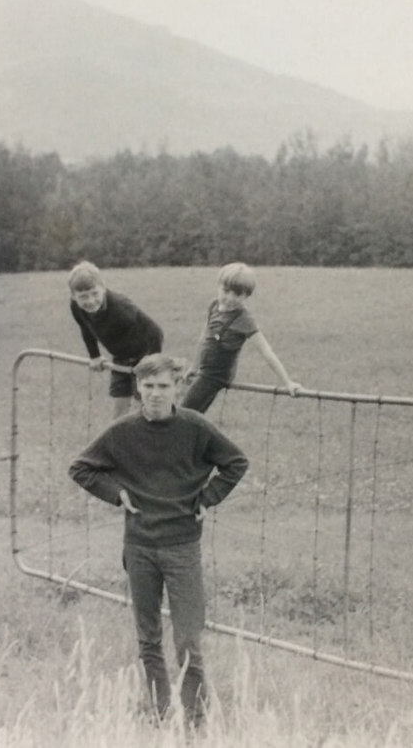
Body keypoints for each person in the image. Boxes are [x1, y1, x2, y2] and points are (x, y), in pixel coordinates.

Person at [68, 354, 249, 727]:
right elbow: (81, 468)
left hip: (182, 546)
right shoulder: (122, 432)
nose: (154, 394)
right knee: (148, 638)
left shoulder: (195, 428)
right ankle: (158, 712)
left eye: (163, 386)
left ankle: (196, 722)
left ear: (178, 387)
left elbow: (235, 462)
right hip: (139, 547)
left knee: (188, 641)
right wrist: (116, 492)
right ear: (138, 387)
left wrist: (208, 498)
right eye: (148, 386)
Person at [181, 262, 301, 413]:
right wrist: (194, 366)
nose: (230, 298)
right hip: (205, 370)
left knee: (183, 414)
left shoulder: (244, 319)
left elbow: (266, 351)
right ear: (219, 286)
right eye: (226, 291)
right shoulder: (214, 306)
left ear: (246, 295)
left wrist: (288, 382)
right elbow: (204, 337)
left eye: (237, 294)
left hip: (216, 375)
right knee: (190, 417)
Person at [68, 260, 164, 419]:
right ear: (73, 296)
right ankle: (118, 441)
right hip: (120, 358)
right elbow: (85, 329)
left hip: (142, 356)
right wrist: (95, 356)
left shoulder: (121, 307)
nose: (90, 301)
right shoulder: (76, 308)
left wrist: (151, 364)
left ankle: (149, 438)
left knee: (145, 408)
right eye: (83, 296)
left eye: (94, 293)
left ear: (103, 287)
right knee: (120, 410)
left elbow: (155, 332)